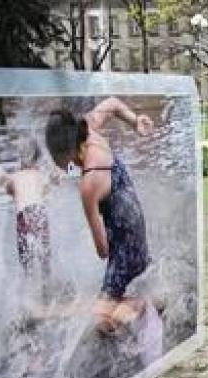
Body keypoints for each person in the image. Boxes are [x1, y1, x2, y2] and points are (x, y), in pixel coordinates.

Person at [44, 97, 154, 334]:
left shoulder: (89, 184)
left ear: (66, 153)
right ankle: (132, 300)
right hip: (135, 221)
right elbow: (112, 104)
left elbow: (102, 250)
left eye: (55, 159)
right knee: (109, 298)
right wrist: (135, 121)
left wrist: (91, 228)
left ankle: (145, 306)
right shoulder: (87, 128)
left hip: (126, 244)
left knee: (100, 322)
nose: (55, 163)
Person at [0, 137, 55, 279]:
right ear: (37, 159)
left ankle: (29, 284)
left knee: (26, 261)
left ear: (20, 159)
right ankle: (46, 285)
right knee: (45, 259)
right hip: (39, 213)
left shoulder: (14, 176)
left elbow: (6, 184)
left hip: (24, 216)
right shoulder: (41, 175)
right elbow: (51, 185)